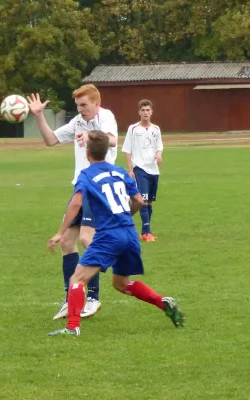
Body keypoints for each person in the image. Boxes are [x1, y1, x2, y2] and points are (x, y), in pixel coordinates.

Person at [47, 131, 184, 336]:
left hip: (108, 236)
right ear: (107, 150)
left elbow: (76, 203)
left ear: (87, 153)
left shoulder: (86, 175)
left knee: (77, 279)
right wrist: (126, 216)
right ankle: (161, 301)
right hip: (129, 234)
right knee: (121, 284)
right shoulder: (120, 172)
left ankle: (72, 327)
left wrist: (60, 233)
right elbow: (139, 201)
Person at [27, 85, 118, 320]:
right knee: (67, 242)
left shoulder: (106, 116)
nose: (80, 110)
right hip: (81, 186)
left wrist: (91, 136)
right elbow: (50, 140)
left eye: (84, 105)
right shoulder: (78, 121)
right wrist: (38, 116)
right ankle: (71, 299)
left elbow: (113, 140)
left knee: (88, 239)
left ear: (96, 103)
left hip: (98, 188)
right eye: (78, 106)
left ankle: (93, 298)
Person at [122, 99, 163, 242]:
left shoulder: (156, 129)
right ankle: (147, 232)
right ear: (139, 112)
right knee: (143, 200)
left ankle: (144, 232)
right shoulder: (133, 129)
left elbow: (159, 146)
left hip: (154, 170)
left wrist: (159, 155)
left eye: (148, 110)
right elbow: (127, 150)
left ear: (152, 112)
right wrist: (130, 169)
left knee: (149, 202)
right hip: (140, 169)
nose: (145, 112)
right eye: (143, 110)